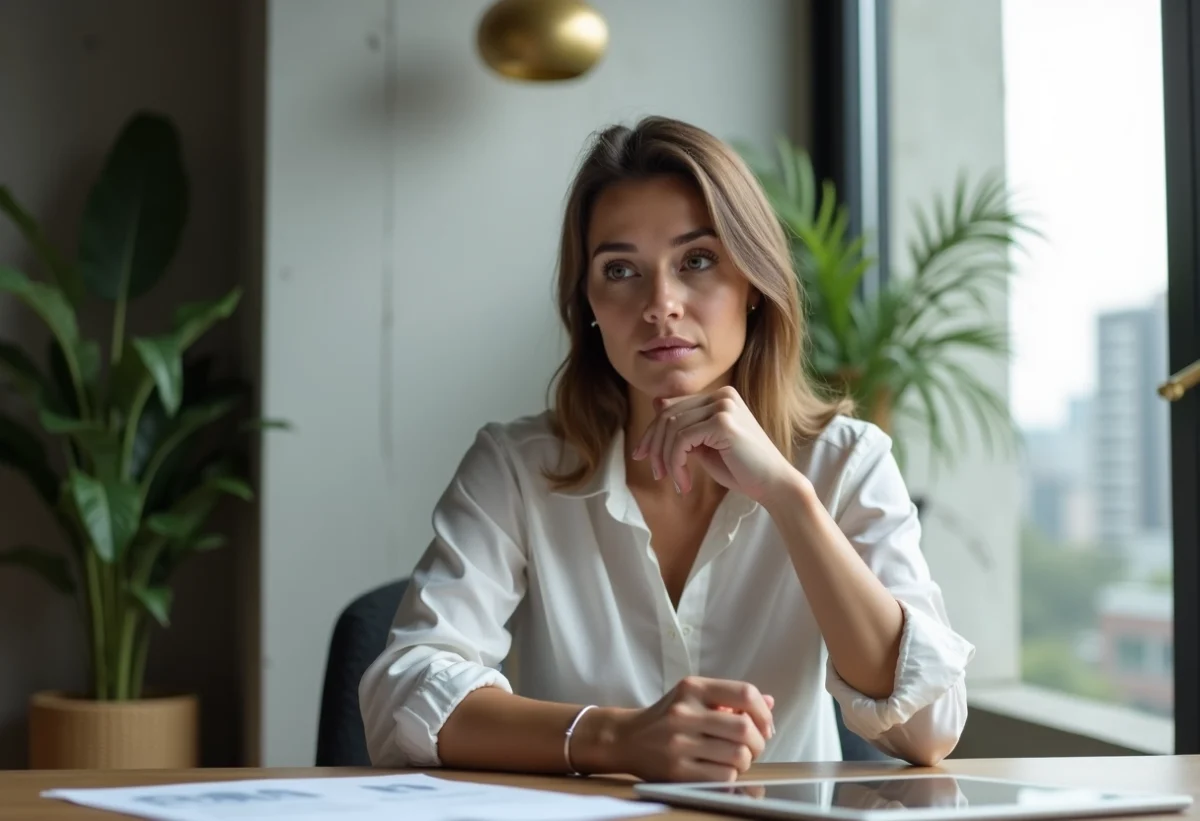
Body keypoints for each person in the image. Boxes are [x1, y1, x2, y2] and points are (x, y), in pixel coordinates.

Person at [359, 116, 975, 781]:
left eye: (698, 260)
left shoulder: (846, 462)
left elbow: (928, 728)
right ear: (588, 304)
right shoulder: (517, 466)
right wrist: (617, 737)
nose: (660, 304)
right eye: (620, 269)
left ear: (755, 284)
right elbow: (404, 693)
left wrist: (789, 497)